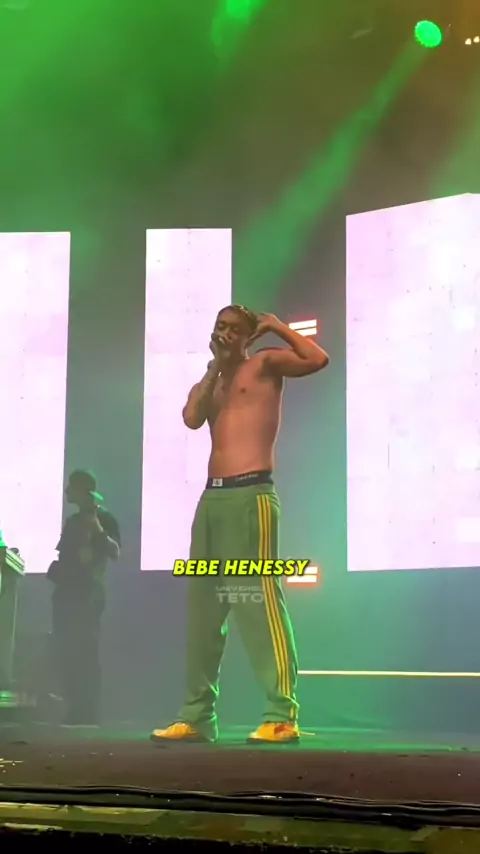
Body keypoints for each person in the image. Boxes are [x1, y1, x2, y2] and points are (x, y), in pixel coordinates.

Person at [151, 305, 329, 745]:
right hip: (212, 501)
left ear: (249, 337)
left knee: (258, 603)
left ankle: (281, 714)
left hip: (252, 498)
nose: (226, 334)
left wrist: (275, 326)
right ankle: (196, 716)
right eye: (220, 327)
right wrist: (215, 367)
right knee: (204, 610)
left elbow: (317, 359)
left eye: (234, 329)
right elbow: (192, 418)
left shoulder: (264, 364)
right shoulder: (211, 381)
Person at [47, 469, 121, 726]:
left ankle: (88, 710)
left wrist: (96, 527)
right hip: (66, 593)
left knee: (86, 651)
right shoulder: (72, 521)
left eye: (72, 487)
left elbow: (115, 551)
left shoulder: (105, 518)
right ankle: (73, 708)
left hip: (88, 593)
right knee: (66, 650)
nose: (67, 491)